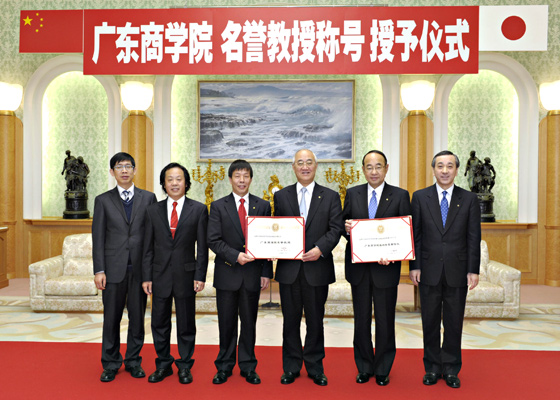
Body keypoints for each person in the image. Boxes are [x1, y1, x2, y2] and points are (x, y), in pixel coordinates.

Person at [409, 150, 481, 389]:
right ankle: (431, 368)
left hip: (458, 270)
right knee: (428, 321)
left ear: (457, 170)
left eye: (450, 166)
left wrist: (473, 269)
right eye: (440, 166)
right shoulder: (420, 197)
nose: (445, 170)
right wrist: (414, 265)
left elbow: (473, 237)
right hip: (427, 269)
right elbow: (415, 234)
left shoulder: (469, 199)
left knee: (453, 322)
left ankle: (451, 368)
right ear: (433, 169)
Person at [273, 149, 344, 386]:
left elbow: (335, 229)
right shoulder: (281, 196)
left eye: (309, 162)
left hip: (317, 268)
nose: (305, 166)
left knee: (316, 320)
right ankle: (291, 367)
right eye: (300, 163)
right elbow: (277, 229)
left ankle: (315, 367)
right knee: (289, 321)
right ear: (293, 167)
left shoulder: (331, 196)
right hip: (289, 270)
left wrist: (319, 249)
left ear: (316, 166)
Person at [342, 150, 411, 386]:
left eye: (378, 166)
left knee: (384, 320)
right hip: (359, 270)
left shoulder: (400, 195)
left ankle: (382, 368)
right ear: (363, 169)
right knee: (361, 320)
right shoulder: (352, 193)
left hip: (386, 269)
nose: (374, 171)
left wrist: (394, 255)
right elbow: (343, 224)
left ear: (386, 168)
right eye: (369, 167)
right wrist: (347, 227)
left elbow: (405, 232)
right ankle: (363, 366)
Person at [92, 152, 157, 382]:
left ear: (135, 170)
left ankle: (133, 361)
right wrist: (99, 270)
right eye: (119, 167)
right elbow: (98, 238)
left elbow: (152, 238)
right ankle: (110, 363)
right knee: (111, 319)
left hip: (139, 271)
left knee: (137, 319)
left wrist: (150, 273)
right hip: (112, 270)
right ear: (112, 172)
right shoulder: (102, 200)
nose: (124, 170)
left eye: (128, 166)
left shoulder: (148, 198)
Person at [142, 162, 208, 384]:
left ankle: (185, 365)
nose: (174, 183)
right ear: (163, 183)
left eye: (179, 179)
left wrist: (200, 275)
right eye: (169, 179)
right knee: (159, 323)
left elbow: (203, 246)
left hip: (187, 276)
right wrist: (146, 277)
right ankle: (163, 365)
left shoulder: (198, 209)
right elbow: (147, 247)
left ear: (186, 183)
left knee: (186, 324)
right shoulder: (152, 211)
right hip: (159, 276)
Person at [207, 159, 272, 385]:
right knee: (226, 323)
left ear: (251, 179)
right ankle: (224, 366)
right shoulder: (218, 206)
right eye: (237, 176)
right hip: (227, 273)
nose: (242, 180)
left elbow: (267, 242)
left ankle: (248, 366)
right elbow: (213, 240)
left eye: (246, 176)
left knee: (249, 322)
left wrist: (266, 271)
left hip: (253, 274)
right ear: (230, 179)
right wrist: (235, 256)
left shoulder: (263, 205)